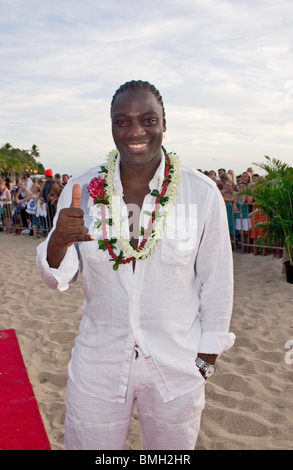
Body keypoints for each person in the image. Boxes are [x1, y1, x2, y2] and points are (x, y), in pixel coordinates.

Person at [36, 80, 235, 450]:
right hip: (99, 361)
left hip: (177, 366)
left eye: (147, 119)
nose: (136, 131)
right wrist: (59, 240)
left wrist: (204, 361)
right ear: (111, 126)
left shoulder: (201, 193)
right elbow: (55, 277)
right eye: (122, 121)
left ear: (164, 122)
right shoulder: (81, 190)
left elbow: (217, 281)